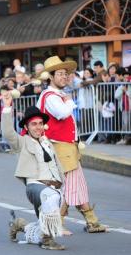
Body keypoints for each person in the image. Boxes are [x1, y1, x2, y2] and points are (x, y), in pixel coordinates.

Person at [36, 56, 106, 235]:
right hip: (60, 146)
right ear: (50, 77)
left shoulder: (54, 95)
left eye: (66, 74)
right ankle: (58, 222)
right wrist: (68, 100)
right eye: (60, 74)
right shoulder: (51, 96)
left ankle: (91, 221)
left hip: (66, 146)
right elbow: (61, 113)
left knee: (76, 184)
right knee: (70, 186)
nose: (64, 77)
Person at [2, 94, 65, 250]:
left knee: (42, 228)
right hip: (35, 185)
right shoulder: (22, 142)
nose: (38, 127)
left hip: (53, 187)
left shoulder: (47, 143)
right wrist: (7, 107)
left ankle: (21, 225)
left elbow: (57, 166)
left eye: (40, 123)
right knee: (51, 196)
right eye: (33, 124)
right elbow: (8, 133)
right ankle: (48, 242)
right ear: (26, 127)